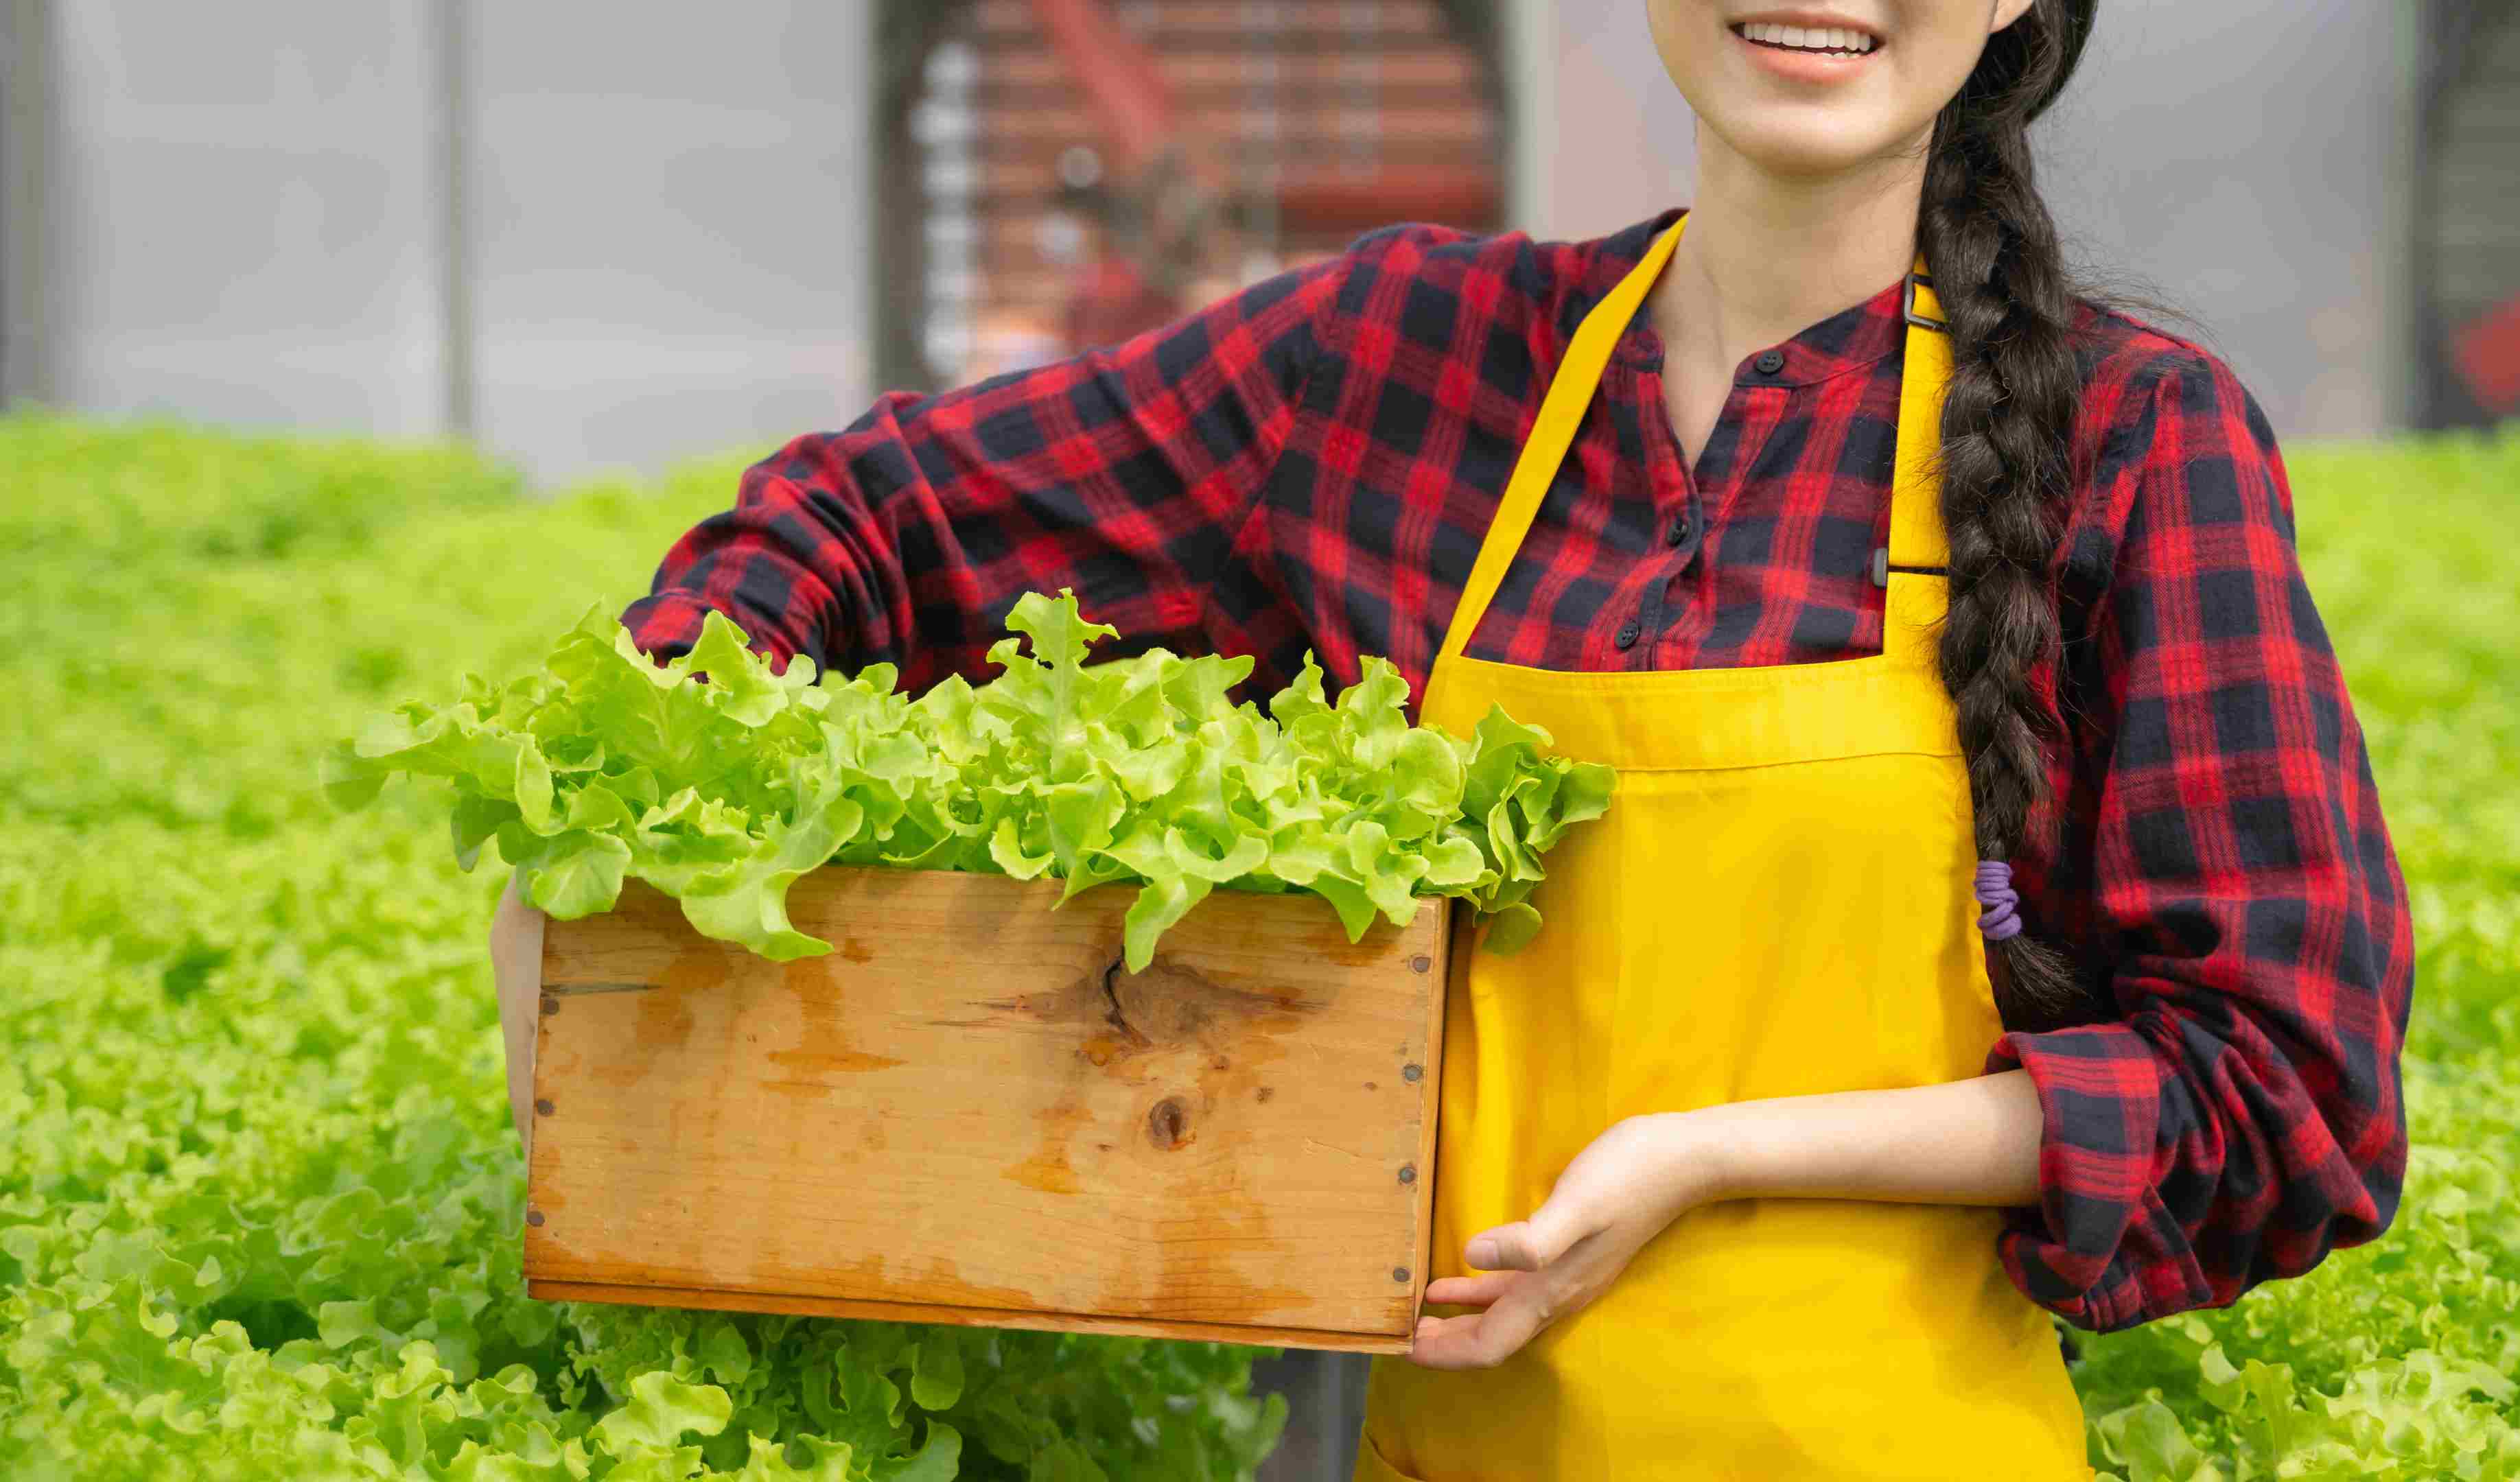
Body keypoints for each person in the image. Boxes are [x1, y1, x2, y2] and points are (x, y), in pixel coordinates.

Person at [493, 1, 2412, 1476]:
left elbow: (2285, 1091)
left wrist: (1707, 1158)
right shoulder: (1413, 367)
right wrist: (646, 818)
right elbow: (876, 518)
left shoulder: (2134, 439)